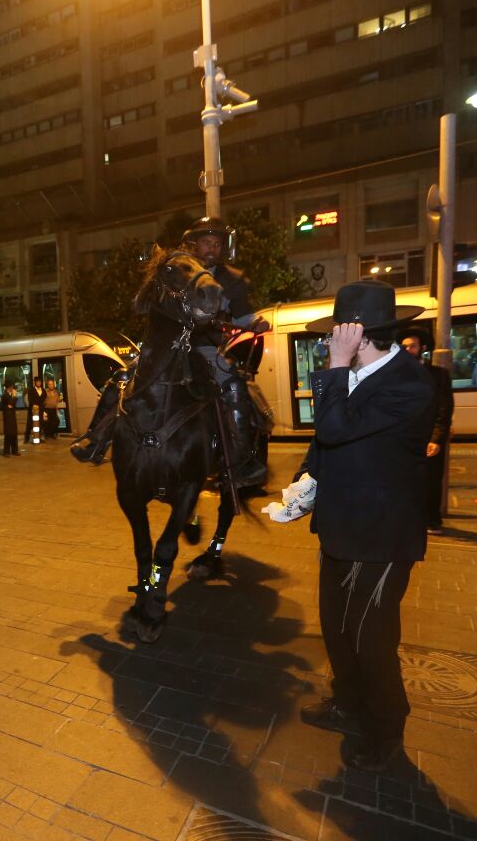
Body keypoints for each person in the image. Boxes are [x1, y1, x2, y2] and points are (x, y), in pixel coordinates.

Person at [297, 279, 435, 773]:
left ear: (358, 335)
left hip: (381, 535)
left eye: (337, 337)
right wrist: (304, 483)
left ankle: (385, 731)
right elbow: (326, 444)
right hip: (340, 526)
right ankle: (347, 704)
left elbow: (336, 427)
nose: (330, 345)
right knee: (337, 630)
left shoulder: (410, 384)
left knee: (370, 639)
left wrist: (335, 367)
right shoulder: (351, 374)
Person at [71, 217, 270, 485]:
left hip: (206, 350)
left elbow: (244, 316)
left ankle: (240, 458)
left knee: (234, 384)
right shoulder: (180, 269)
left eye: (217, 244)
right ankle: (95, 439)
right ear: (194, 245)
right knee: (121, 377)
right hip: (170, 347)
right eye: (206, 243)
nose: (212, 248)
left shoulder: (231, 279)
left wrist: (255, 322)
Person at [400, 331, 454, 535]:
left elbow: (444, 408)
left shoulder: (439, 375)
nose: (407, 350)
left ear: (422, 348)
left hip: (428, 438)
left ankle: (432, 519)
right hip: (403, 438)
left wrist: (437, 438)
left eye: (412, 346)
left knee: (431, 480)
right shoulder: (395, 375)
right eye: (404, 346)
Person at [23, 376, 44, 444]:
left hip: (40, 410)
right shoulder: (31, 390)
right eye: (37, 382)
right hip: (32, 410)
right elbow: (30, 399)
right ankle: (26, 438)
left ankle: (39, 437)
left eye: (40, 382)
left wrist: (40, 404)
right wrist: (34, 405)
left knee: (40, 424)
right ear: (35, 382)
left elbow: (44, 398)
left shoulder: (43, 390)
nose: (39, 383)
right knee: (29, 424)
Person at [0, 384, 20, 456]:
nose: (13, 389)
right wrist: (14, 397)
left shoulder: (9, 395)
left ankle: (15, 450)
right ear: (9, 387)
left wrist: (11, 404)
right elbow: (11, 403)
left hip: (12, 417)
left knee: (14, 434)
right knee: (8, 435)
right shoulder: (5, 395)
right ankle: (6, 451)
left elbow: (12, 405)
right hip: (8, 418)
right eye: (12, 387)